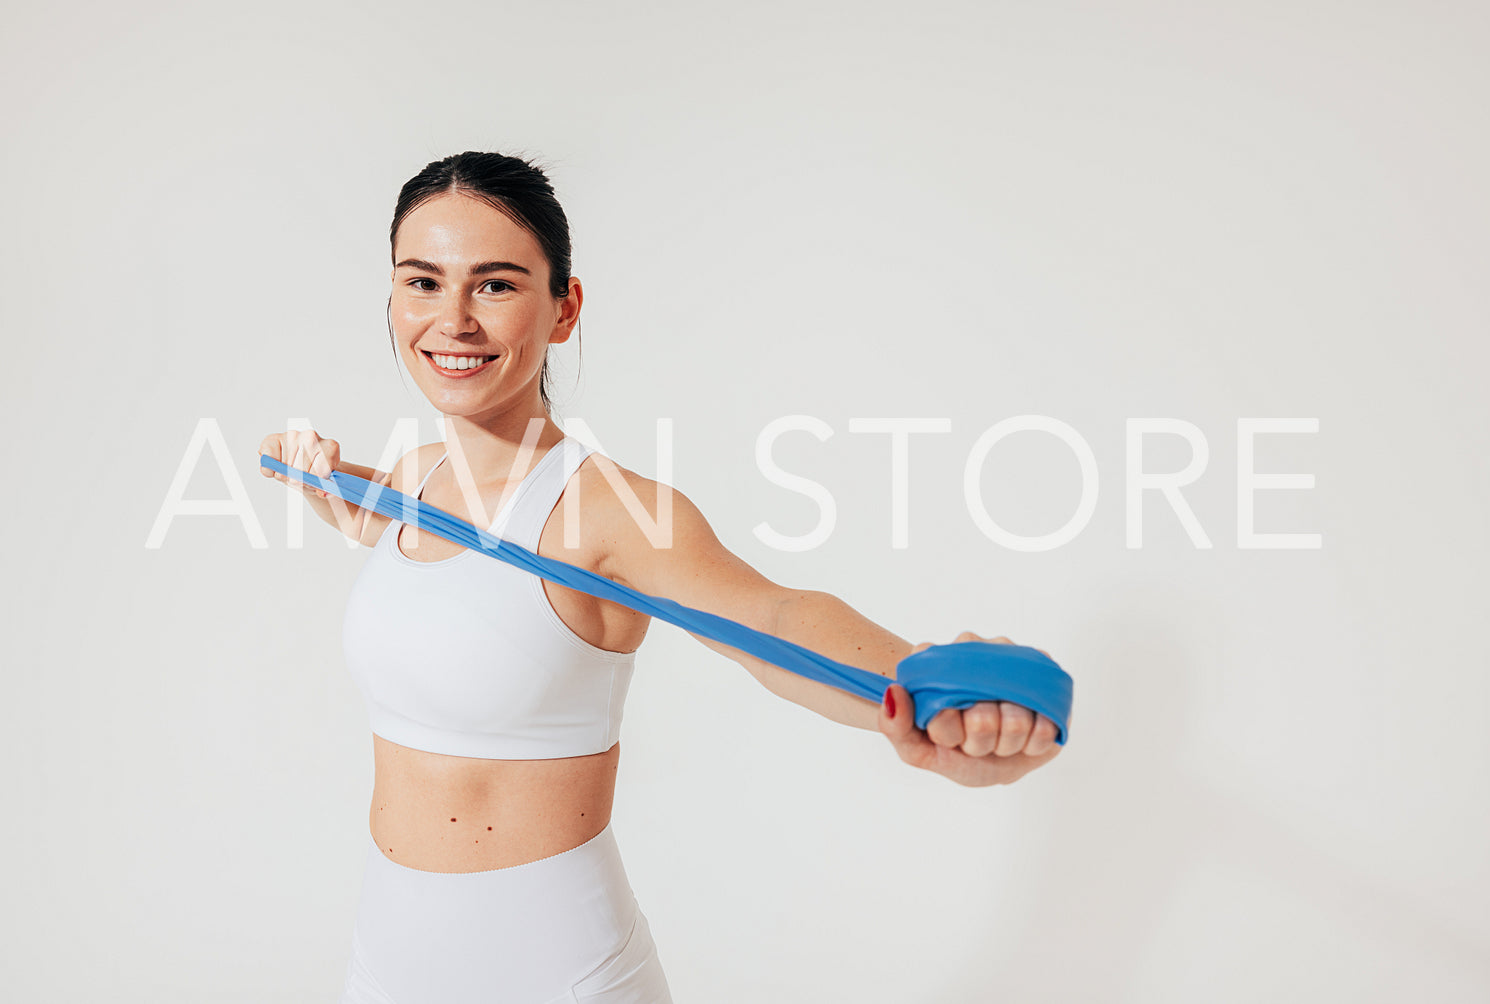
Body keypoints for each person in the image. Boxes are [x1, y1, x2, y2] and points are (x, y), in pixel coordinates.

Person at [258, 151, 1067, 1004]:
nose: (452, 319)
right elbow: (420, 573)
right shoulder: (414, 479)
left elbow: (771, 618)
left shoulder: (611, 512)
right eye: (422, 282)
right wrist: (315, 472)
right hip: (383, 966)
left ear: (563, 308)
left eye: (495, 286)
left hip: (556, 973)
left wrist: (923, 688)